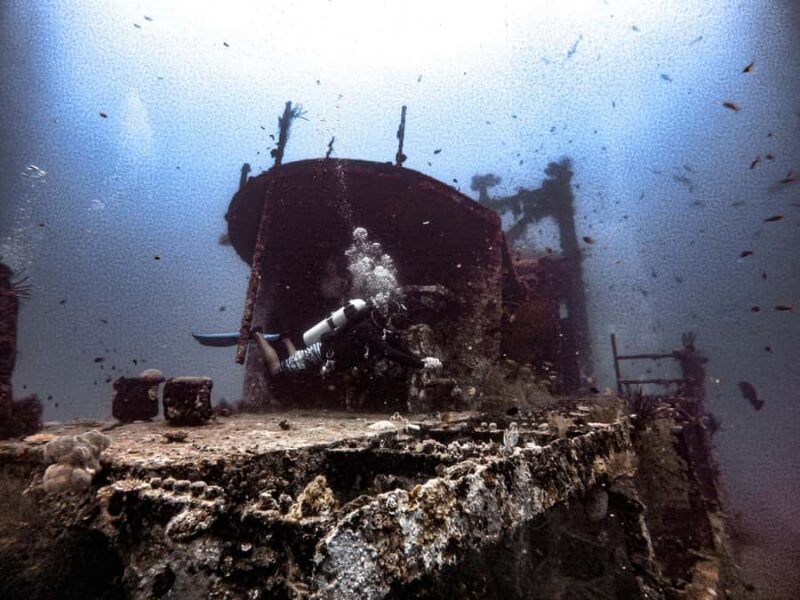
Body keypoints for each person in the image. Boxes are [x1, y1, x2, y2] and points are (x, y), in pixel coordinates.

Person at [252, 299, 442, 378]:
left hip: (323, 354)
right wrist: (419, 365)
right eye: (398, 321)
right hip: (321, 353)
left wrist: (421, 360)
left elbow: (397, 347)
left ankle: (285, 339)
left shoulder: (377, 329)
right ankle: (257, 334)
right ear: (388, 317)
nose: (399, 327)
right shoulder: (368, 329)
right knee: (277, 370)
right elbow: (389, 352)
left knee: (299, 363)